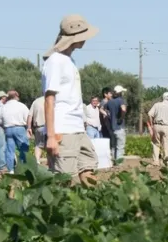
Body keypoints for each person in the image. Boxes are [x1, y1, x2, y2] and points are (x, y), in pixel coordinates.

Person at [42, 13, 99, 186]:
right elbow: (49, 99)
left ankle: (91, 207)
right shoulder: (55, 61)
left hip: (77, 128)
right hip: (63, 130)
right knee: (65, 179)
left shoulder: (69, 60)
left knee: (88, 166)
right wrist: (51, 136)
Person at [0, 90, 30, 173]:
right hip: (20, 128)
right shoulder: (22, 106)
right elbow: (27, 118)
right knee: (23, 149)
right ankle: (22, 168)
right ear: (16, 96)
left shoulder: (3, 107)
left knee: (9, 150)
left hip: (8, 129)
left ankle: (11, 170)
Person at [146, 92, 168, 166]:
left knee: (156, 144)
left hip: (156, 125)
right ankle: (166, 161)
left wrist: (152, 124)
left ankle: (156, 161)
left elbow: (150, 114)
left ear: (163, 97)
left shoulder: (156, 105)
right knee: (166, 145)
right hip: (167, 127)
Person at [106, 85, 128, 160]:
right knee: (120, 146)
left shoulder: (110, 102)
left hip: (112, 127)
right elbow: (123, 109)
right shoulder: (121, 100)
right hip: (119, 127)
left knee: (113, 146)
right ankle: (119, 163)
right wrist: (121, 118)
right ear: (120, 93)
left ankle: (112, 160)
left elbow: (102, 109)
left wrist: (108, 116)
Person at [27, 95, 46, 164]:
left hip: (39, 127)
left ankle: (37, 162)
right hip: (51, 127)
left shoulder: (36, 101)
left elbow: (30, 116)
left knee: (38, 145)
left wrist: (29, 128)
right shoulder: (54, 100)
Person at [99, 87, 114, 153]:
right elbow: (102, 111)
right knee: (107, 141)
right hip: (106, 126)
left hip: (109, 125)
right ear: (105, 94)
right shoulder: (104, 102)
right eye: (110, 93)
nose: (111, 95)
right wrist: (107, 115)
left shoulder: (109, 102)